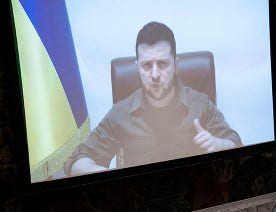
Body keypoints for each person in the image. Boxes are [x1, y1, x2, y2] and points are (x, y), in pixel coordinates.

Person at [63, 21, 241, 176]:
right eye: (147, 65)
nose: (155, 74)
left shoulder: (200, 105)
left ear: (176, 65)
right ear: (137, 67)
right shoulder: (121, 113)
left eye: (163, 64)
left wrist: (218, 145)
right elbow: (76, 162)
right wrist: (112, 178)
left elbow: (236, 145)